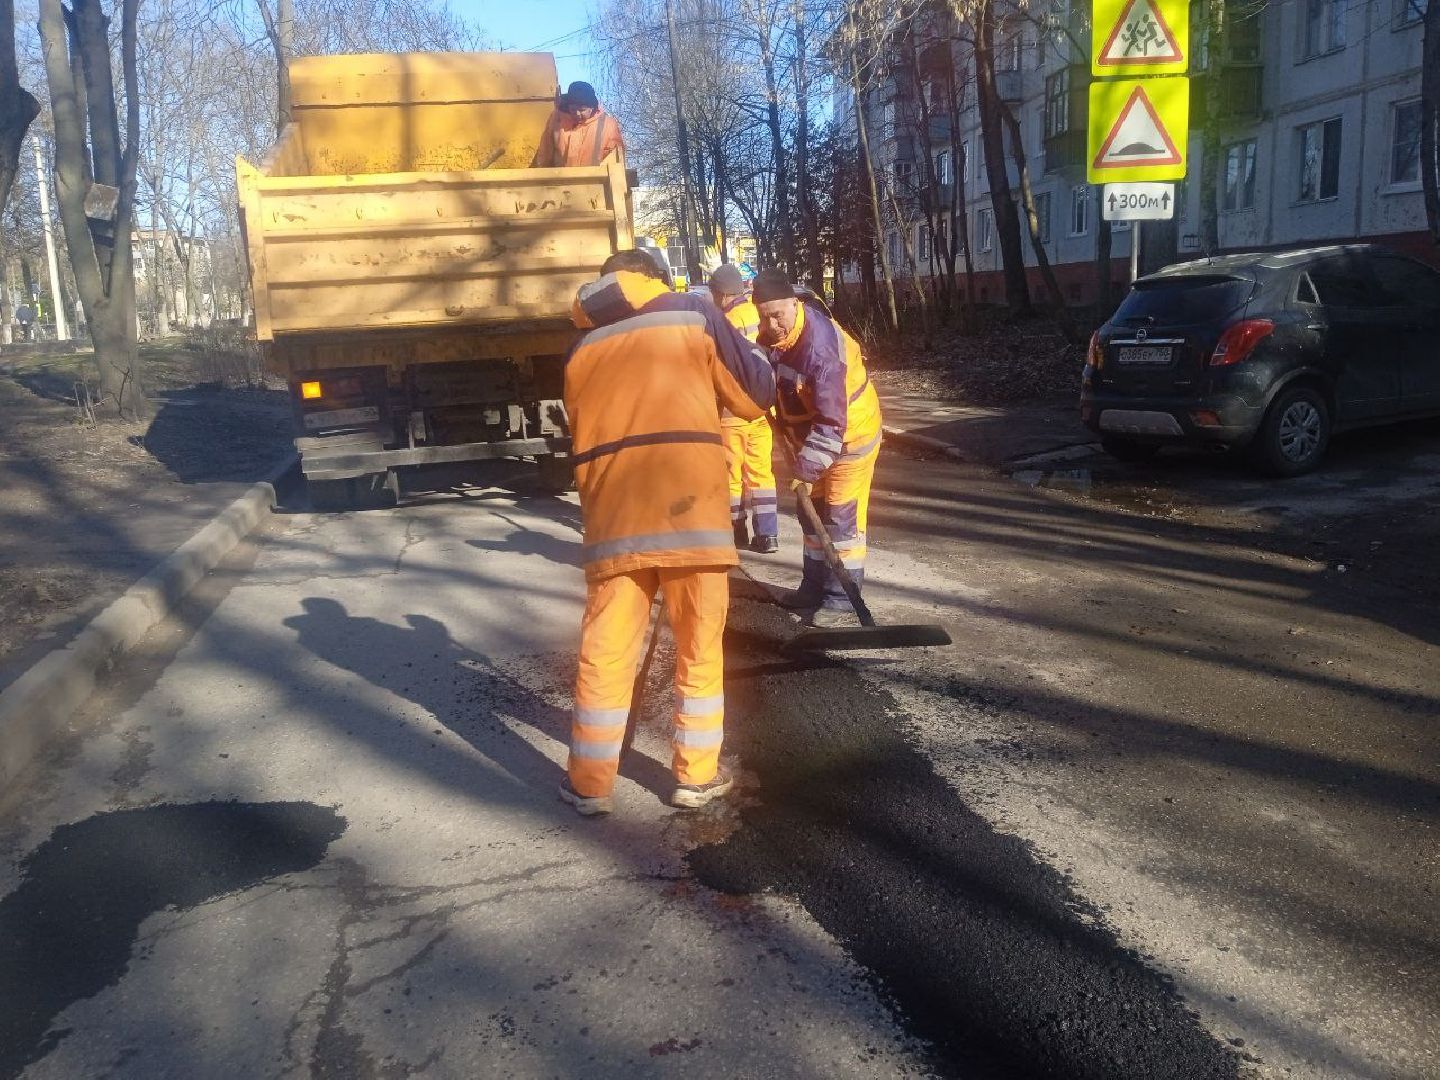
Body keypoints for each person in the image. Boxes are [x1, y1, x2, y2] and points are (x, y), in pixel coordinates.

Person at [561, 249, 776, 816]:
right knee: (698, 650)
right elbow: (753, 397)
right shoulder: (691, 313)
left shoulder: (580, 347)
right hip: (690, 518)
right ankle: (693, 780)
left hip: (614, 523)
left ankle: (588, 785)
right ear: (653, 278)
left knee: (606, 652)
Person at [752, 268, 882, 628]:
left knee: (839, 517)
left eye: (778, 314)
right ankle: (812, 587)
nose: (772, 323)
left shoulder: (821, 350)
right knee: (811, 513)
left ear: (795, 305)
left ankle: (841, 598)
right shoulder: (770, 337)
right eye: (765, 316)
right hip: (813, 442)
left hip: (848, 439)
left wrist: (806, 471)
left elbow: (831, 423)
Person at [708, 263, 779, 555]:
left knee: (731, 476)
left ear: (722, 294)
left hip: (732, 413)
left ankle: (737, 531)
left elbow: (718, 368)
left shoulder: (726, 322)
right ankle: (768, 536)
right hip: (761, 412)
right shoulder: (758, 314)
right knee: (762, 473)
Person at [531, 81, 625, 168]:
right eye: (573, 109)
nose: (577, 113)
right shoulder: (557, 119)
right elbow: (545, 152)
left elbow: (616, 160)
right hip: (560, 183)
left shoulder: (608, 125)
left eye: (582, 110)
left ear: (592, 107)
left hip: (596, 183)